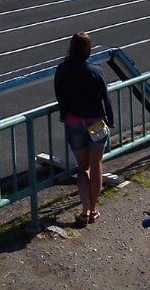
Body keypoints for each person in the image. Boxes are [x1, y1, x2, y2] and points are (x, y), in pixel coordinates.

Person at [53, 31, 113, 226]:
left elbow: (59, 94)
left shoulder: (62, 69)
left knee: (82, 168)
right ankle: (93, 209)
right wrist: (109, 119)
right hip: (95, 122)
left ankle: (84, 209)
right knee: (96, 166)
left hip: (74, 122)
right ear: (88, 49)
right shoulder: (96, 71)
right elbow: (105, 97)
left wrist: (64, 113)